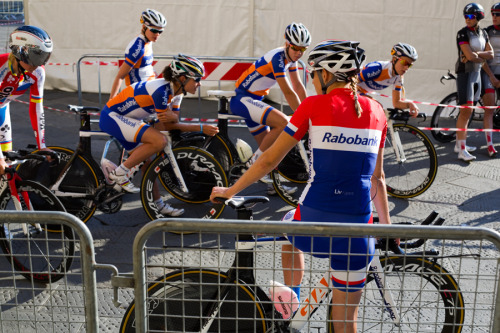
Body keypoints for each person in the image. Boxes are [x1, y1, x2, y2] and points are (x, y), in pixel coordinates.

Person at [211, 40, 393, 332]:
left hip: (311, 222)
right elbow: (378, 179)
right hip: (358, 229)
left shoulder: (313, 105)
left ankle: (292, 301)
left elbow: (269, 160)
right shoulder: (378, 112)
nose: (312, 78)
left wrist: (229, 191)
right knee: (347, 320)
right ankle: (296, 302)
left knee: (286, 226)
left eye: (314, 72)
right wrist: (387, 228)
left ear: (328, 74)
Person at [99, 54, 208, 217]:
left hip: (126, 119)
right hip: (113, 117)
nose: (199, 84)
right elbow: (168, 123)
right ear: (183, 78)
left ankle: (158, 205)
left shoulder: (177, 92)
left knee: (147, 163)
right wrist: (200, 127)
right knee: (159, 141)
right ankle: (118, 173)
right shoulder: (161, 91)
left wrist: (176, 119)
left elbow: (170, 124)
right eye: (197, 79)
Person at [230, 22, 310, 194]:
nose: (298, 53)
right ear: (287, 44)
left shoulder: (291, 59)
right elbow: (288, 92)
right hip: (243, 98)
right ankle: (253, 164)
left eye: (303, 50)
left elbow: (298, 86)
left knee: (270, 149)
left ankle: (273, 186)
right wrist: (304, 116)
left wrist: (309, 110)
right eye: (296, 48)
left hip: (254, 100)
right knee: (282, 124)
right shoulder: (277, 58)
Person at [0, 25, 53, 175]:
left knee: (7, 164)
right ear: (20, 52)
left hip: (2, 110)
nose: (39, 63)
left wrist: (42, 146)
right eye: (37, 57)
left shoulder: (38, 72)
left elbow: (37, 108)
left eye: (44, 57)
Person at [455, 3, 493, 162]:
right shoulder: (462, 33)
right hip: (466, 74)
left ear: (479, 17)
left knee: (469, 111)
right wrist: (477, 56)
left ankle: (459, 144)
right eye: (465, 16)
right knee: (465, 111)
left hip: (477, 73)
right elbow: (469, 57)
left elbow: (491, 54)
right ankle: (461, 150)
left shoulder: (483, 32)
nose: (467, 19)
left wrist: (476, 53)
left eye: (471, 16)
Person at [109, 9, 167, 100]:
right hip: (139, 95)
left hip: (149, 89)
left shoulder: (148, 41)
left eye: (160, 31)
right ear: (144, 27)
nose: (157, 34)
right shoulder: (137, 48)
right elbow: (120, 76)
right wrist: (111, 100)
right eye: (154, 30)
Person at [357, 42, 420, 119]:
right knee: (376, 106)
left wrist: (410, 104)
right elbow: (349, 83)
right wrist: (368, 98)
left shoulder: (399, 77)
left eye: (409, 65)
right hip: (349, 87)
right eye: (404, 63)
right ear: (394, 59)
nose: (407, 68)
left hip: (360, 91)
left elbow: (396, 103)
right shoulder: (377, 69)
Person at [480, 2, 500, 158]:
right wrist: (492, 77)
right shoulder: (486, 32)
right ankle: (490, 145)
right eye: (493, 13)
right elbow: (480, 57)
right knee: (490, 108)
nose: (494, 16)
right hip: (488, 73)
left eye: (497, 14)